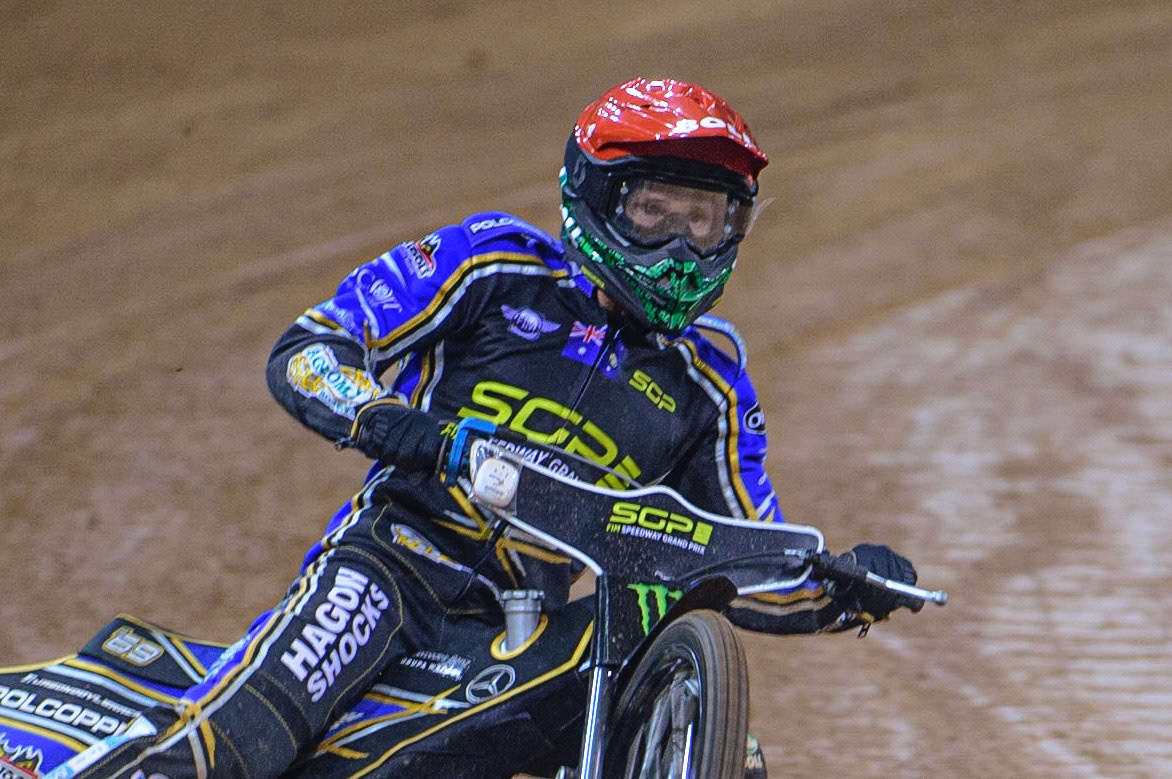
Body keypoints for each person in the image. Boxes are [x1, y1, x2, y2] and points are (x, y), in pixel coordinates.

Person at [57, 77, 919, 779]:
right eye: (661, 213)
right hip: (395, 563)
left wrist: (842, 585)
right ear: (597, 198)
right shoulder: (494, 264)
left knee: (725, 737)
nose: (687, 249)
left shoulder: (712, 378)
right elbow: (313, 345)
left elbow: (744, 545)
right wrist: (389, 420)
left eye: (710, 221)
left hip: (535, 622)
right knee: (250, 735)